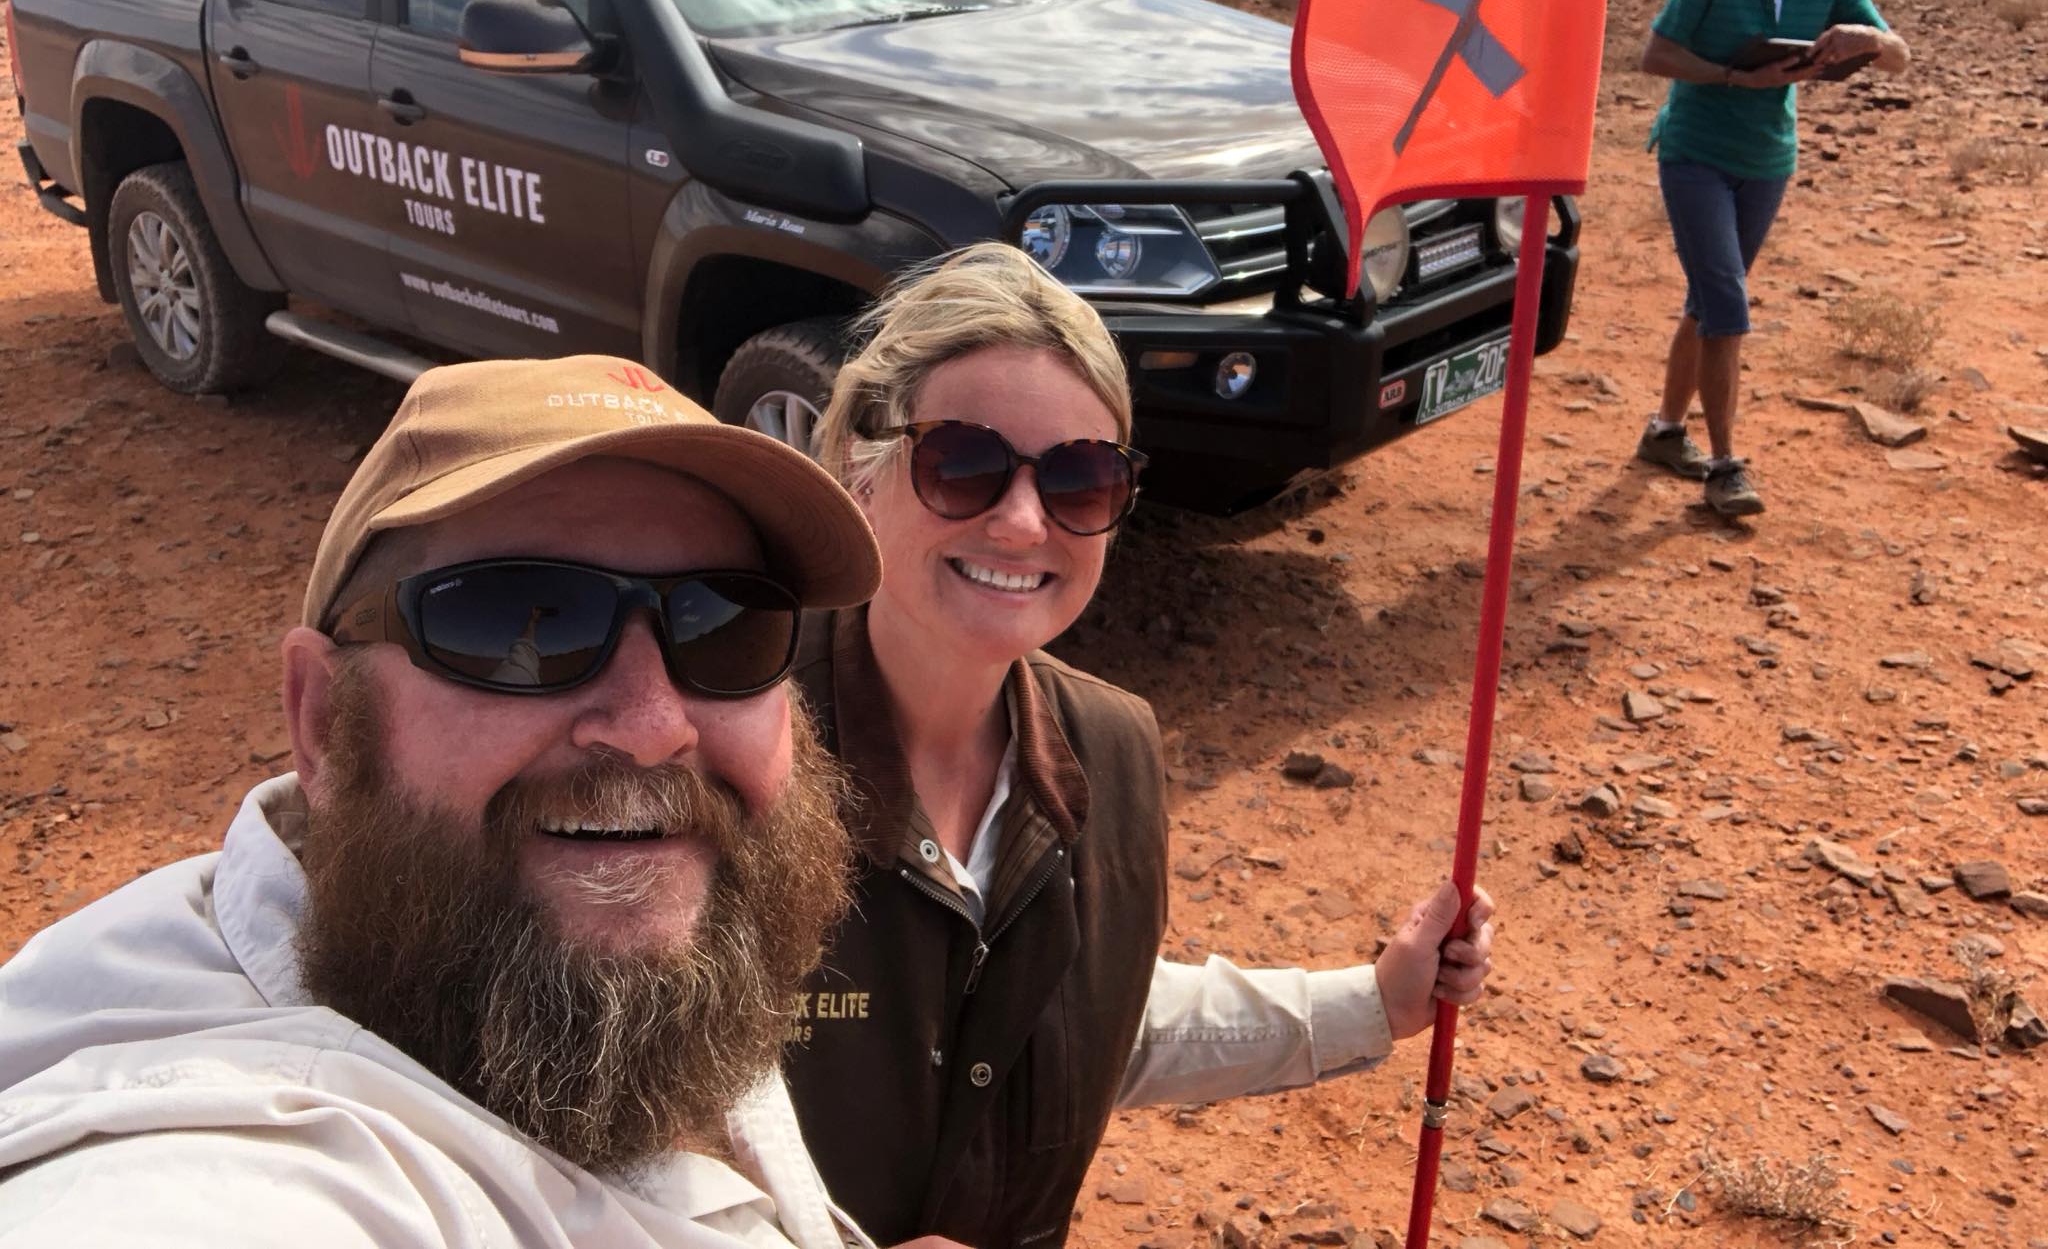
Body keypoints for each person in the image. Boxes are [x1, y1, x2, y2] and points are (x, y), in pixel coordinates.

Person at [0, 355, 886, 1249]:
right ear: (321, 721)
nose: (654, 726)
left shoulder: (613, 935)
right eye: (513, 624)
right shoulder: (214, 1165)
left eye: (726, 625)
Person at [784, 244, 1498, 1249]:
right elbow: (589, 1142)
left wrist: (1370, 1001)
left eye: (1079, 478)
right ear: (865, 467)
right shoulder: (724, 744)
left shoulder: (1108, 751)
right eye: (963, 463)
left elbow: (1085, 1013)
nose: (1024, 520)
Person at [1636, 0, 1909, 518]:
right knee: (1727, 301)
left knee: (1706, 299)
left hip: (1766, 159)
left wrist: (1861, 36)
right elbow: (1655, 54)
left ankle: (1666, 432)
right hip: (1695, 148)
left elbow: (1898, 60)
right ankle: (1725, 466)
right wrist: (1736, 76)